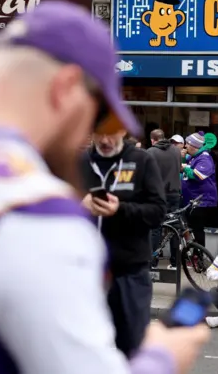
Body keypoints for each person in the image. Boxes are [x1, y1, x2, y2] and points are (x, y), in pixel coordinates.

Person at [0, 1, 209, 374]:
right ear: (66, 88)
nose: (91, 131)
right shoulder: (33, 213)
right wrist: (164, 359)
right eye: (96, 114)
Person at [80, 129, 167, 357]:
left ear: (122, 130)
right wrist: (77, 205)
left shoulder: (141, 160)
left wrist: (121, 209)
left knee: (132, 349)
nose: (105, 140)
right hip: (85, 274)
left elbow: (158, 212)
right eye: (100, 134)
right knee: (83, 350)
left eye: (111, 134)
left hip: (129, 272)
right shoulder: (81, 162)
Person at [147, 128, 183, 269]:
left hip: (157, 196)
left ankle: (153, 262)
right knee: (174, 228)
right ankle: (175, 262)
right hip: (174, 194)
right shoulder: (176, 151)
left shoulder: (150, 152)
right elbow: (179, 168)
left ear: (152, 140)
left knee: (155, 229)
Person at [181, 131, 218, 250]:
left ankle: (199, 257)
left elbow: (198, 175)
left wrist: (185, 168)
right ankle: (194, 255)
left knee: (198, 230)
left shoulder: (205, 158)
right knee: (192, 228)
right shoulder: (195, 157)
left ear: (194, 146)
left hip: (201, 201)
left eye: (187, 144)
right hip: (192, 200)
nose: (185, 146)